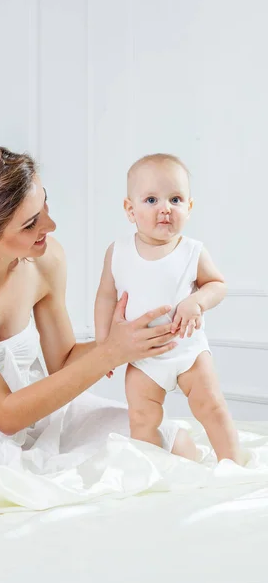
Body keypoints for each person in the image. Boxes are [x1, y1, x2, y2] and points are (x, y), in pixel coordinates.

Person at [0, 146, 195, 498]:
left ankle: (2, 466)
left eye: (44, 205)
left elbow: (63, 360)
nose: (51, 225)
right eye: (31, 223)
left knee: (172, 442)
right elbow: (3, 413)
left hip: (24, 396)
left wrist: (142, 338)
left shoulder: (44, 260)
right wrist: (111, 353)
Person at [95, 153, 240, 463]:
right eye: (151, 199)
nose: (165, 208)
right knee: (142, 417)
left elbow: (217, 285)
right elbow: (106, 297)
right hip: (143, 357)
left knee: (211, 407)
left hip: (188, 351)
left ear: (189, 207)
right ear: (129, 209)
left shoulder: (192, 250)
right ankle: (153, 467)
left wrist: (196, 301)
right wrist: (103, 343)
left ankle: (233, 462)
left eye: (175, 199)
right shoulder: (117, 252)